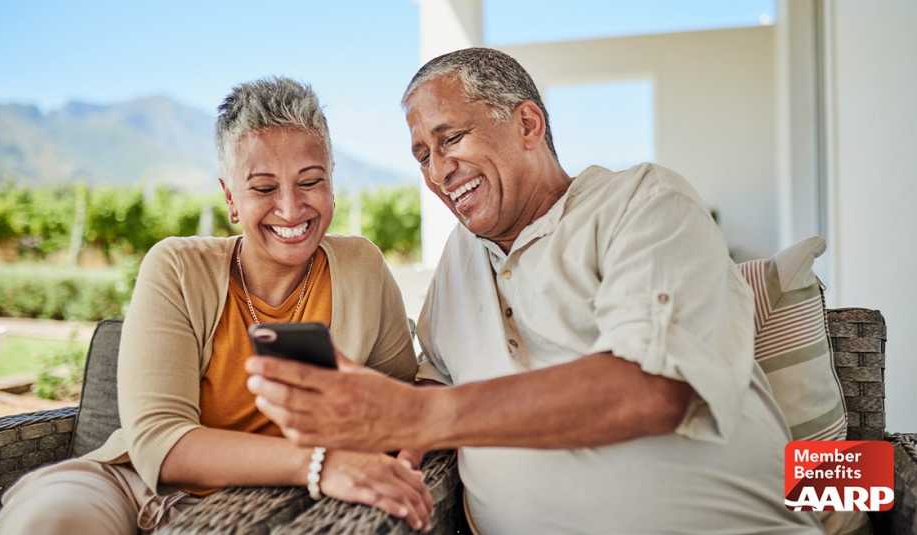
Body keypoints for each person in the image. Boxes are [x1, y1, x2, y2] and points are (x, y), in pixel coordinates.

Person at [245, 50, 824, 533]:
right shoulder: (460, 256)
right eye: (423, 154)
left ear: (527, 124)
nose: (438, 170)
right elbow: (437, 375)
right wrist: (370, 420)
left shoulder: (643, 202)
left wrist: (420, 415)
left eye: (451, 138)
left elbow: (653, 390)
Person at [0, 77, 433, 534]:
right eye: (263, 188)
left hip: (275, 503)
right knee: (47, 520)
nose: (290, 207)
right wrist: (322, 464)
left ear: (332, 185)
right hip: (133, 486)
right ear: (231, 200)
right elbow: (159, 443)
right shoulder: (177, 267)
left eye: (311, 181)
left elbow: (400, 404)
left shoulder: (362, 266)